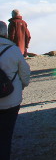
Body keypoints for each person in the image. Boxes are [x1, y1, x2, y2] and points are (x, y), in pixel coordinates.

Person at [0, 20, 31, 160]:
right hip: (11, 99)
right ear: (5, 33)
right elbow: (25, 73)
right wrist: (21, 86)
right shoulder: (13, 50)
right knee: (6, 134)